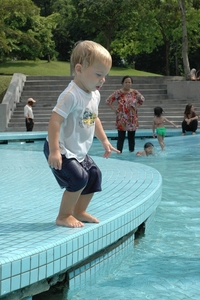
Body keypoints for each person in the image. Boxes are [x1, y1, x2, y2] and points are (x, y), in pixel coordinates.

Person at [43, 40, 120, 228]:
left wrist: (104, 140)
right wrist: (54, 151)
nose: (103, 80)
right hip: (60, 148)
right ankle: (64, 215)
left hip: (77, 150)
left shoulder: (95, 94)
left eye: (105, 76)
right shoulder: (70, 95)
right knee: (78, 179)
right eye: (98, 74)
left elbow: (95, 118)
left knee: (94, 175)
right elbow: (55, 121)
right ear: (79, 69)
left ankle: (79, 211)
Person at [106, 76, 145, 153]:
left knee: (132, 138)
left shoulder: (135, 92)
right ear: (123, 83)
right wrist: (115, 110)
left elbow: (142, 100)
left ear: (131, 83)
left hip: (132, 118)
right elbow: (108, 101)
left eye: (129, 82)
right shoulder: (118, 93)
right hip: (122, 118)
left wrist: (135, 107)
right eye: (126, 82)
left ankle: (131, 152)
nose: (128, 84)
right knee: (121, 137)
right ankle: (119, 153)